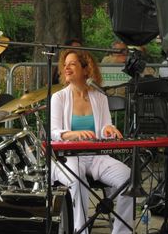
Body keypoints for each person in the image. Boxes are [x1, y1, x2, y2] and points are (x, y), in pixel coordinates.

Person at [51, 49, 133, 234]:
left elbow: (104, 129)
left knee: (128, 178)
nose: (67, 68)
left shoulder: (100, 97)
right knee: (77, 180)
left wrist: (109, 130)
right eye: (65, 65)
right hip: (68, 156)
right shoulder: (59, 97)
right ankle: (81, 231)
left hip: (96, 156)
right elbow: (54, 133)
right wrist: (74, 135)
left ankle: (122, 232)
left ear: (86, 69)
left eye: (72, 64)